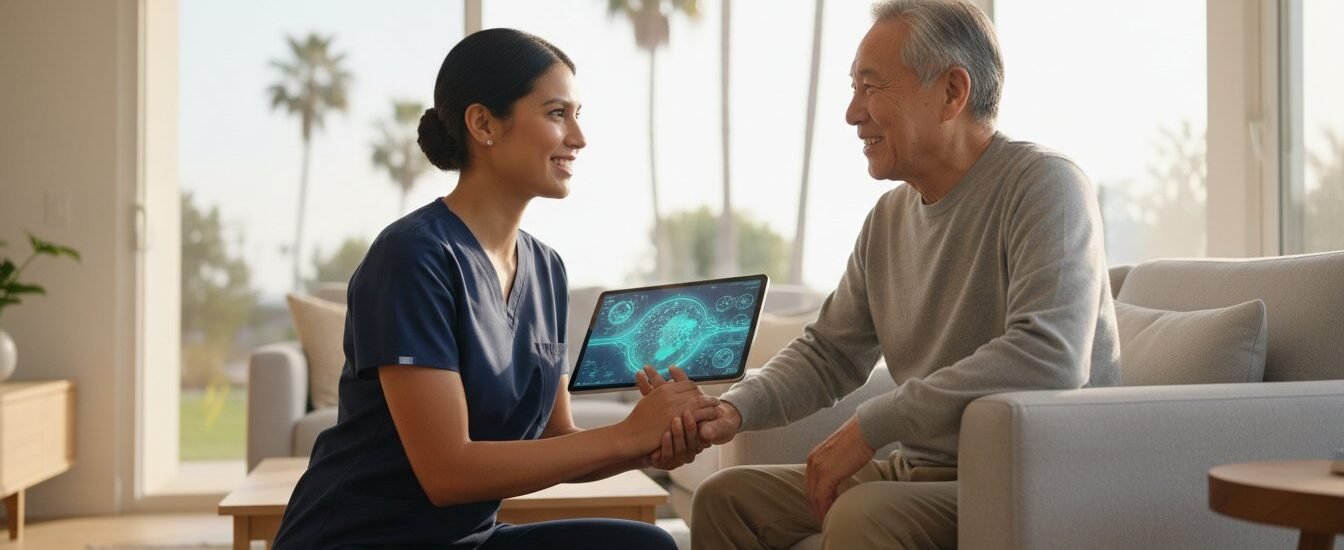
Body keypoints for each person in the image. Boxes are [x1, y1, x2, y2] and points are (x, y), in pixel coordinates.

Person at [689, 1, 1121, 548]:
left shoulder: (1045, 186)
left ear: (951, 92)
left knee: (861, 516)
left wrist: (873, 425)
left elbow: (1050, 356)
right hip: (917, 474)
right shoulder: (888, 220)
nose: (851, 113)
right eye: (853, 88)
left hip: (1032, 480)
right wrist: (731, 409)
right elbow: (829, 354)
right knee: (726, 501)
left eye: (871, 87)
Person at [272, 28, 717, 549]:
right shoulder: (413, 256)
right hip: (361, 538)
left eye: (578, 114)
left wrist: (648, 444)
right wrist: (624, 435)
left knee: (648, 545)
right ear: (483, 123)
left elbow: (559, 441)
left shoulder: (546, 269)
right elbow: (448, 473)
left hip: (468, 539)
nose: (578, 136)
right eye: (557, 113)